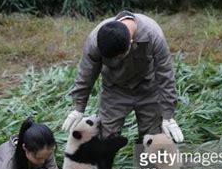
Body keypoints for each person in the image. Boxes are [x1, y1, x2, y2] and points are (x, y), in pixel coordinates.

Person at [62, 11, 183, 143]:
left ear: (130, 43)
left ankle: (146, 163)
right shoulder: (95, 40)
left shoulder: (153, 35)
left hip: (148, 89)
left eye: (118, 57)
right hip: (114, 90)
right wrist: (79, 107)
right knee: (106, 139)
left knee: (151, 139)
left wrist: (168, 114)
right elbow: (86, 73)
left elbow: (165, 74)